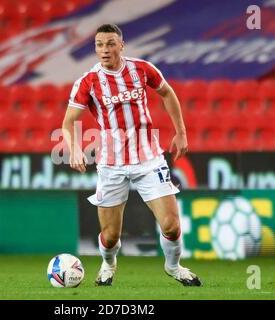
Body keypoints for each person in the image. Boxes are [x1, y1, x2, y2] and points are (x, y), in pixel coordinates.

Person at [62, 24, 202, 286]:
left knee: (171, 225)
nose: (105, 49)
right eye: (100, 44)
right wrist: (74, 147)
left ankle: (174, 267)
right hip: (111, 164)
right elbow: (68, 122)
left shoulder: (142, 69)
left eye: (110, 43)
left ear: (121, 45)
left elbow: (167, 93)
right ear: (95, 48)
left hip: (149, 158)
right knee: (111, 236)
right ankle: (108, 264)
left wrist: (180, 132)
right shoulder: (88, 82)